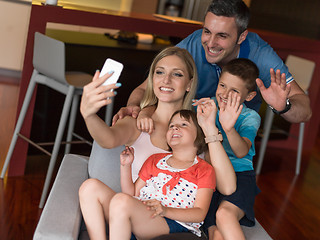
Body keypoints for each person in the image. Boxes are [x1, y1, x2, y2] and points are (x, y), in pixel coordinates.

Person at [78, 46, 236, 239]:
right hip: (131, 209)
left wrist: (210, 129)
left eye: (176, 74)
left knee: (122, 202)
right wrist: (89, 115)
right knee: (89, 187)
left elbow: (227, 187)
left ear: (189, 84)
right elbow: (107, 140)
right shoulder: (138, 121)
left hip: (165, 219)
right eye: (159, 72)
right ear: (152, 79)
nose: (166, 80)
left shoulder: (197, 127)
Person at [113, 0, 311, 126]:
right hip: (188, 128)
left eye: (222, 36)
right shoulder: (192, 42)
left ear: (242, 37)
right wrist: (133, 107)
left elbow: (305, 110)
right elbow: (144, 89)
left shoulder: (261, 55)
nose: (210, 43)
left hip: (233, 139)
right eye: (207, 31)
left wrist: (283, 106)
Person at [109, 109, 221, 239]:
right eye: (171, 126)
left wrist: (166, 210)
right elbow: (131, 195)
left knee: (120, 201)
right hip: (144, 215)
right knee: (93, 187)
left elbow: (200, 213)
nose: (175, 128)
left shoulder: (204, 169)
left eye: (183, 124)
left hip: (176, 224)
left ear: (200, 134)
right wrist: (126, 165)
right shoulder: (155, 160)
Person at [193, 58, 261, 240]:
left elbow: (241, 151)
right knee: (213, 229)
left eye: (235, 91)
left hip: (240, 176)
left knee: (224, 215)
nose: (225, 94)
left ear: (249, 96)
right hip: (210, 177)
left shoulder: (249, 117)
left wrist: (228, 128)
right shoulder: (210, 105)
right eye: (222, 85)